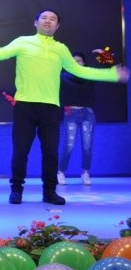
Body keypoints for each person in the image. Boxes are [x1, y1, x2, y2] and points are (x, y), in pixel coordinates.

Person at [0, 9, 129, 205]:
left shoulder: (61, 49)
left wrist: (112, 74)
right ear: (36, 22)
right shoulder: (23, 42)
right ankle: (16, 189)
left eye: (53, 19)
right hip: (25, 105)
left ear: (58, 26)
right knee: (20, 150)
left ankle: (49, 192)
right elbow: (0, 54)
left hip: (50, 108)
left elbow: (79, 71)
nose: (48, 21)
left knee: (50, 152)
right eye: (44, 18)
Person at [57, 52, 97, 186]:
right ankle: (61, 172)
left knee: (87, 146)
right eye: (74, 61)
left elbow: (104, 70)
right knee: (69, 145)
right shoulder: (64, 76)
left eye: (79, 61)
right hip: (71, 114)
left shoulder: (89, 75)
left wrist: (104, 56)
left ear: (84, 63)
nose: (77, 63)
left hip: (87, 114)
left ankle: (85, 173)